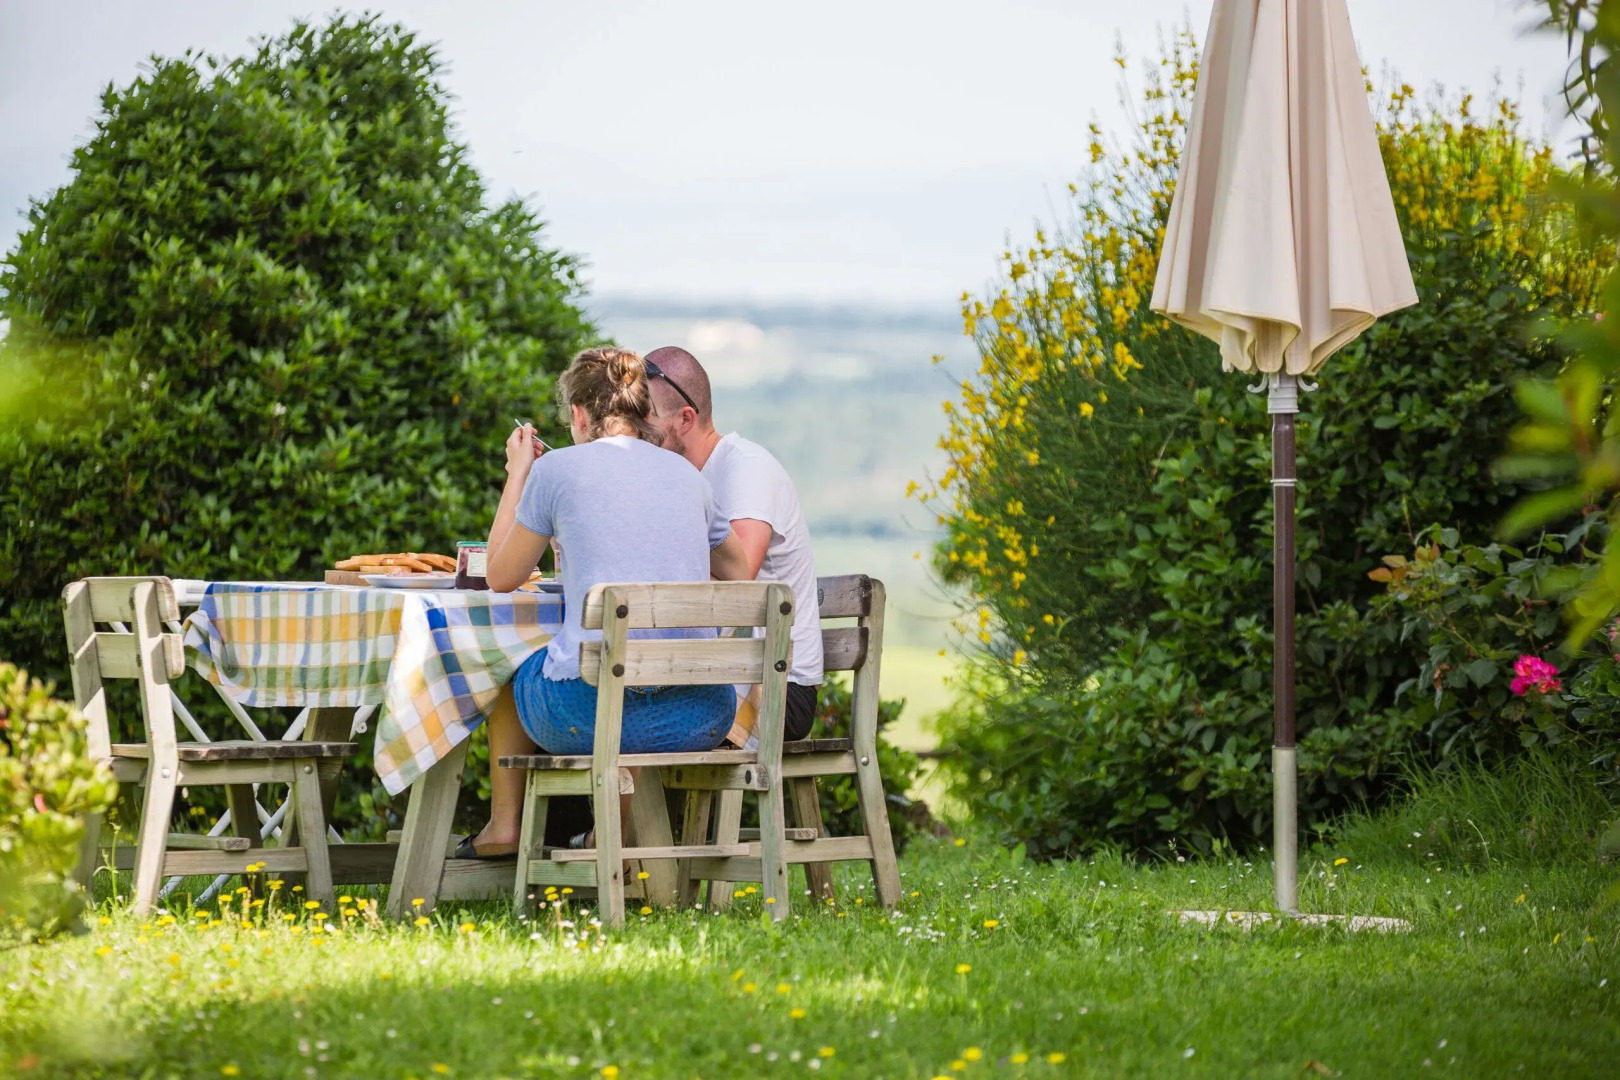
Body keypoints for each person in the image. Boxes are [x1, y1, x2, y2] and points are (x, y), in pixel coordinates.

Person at [462, 346, 751, 858]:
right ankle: (608, 836)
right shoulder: (690, 477)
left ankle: (505, 825)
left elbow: (503, 576)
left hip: (586, 715)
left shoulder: (557, 472)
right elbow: (734, 567)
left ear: (578, 414)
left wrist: (519, 474)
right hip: (702, 712)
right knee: (633, 663)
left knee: (507, 664)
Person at [643, 345, 824, 744]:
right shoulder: (683, 479)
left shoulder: (747, 469)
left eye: (649, 414)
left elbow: (736, 583)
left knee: (624, 712)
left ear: (685, 418)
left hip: (776, 684)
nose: (640, 426)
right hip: (721, 666)